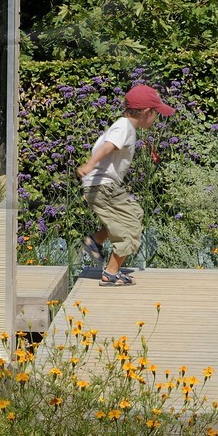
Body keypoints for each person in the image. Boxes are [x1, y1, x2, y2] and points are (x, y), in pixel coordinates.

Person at [76, 82, 175, 285]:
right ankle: (111, 273)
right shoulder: (124, 126)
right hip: (102, 186)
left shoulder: (125, 126)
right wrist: (89, 164)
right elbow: (108, 146)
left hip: (106, 185)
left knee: (135, 213)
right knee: (128, 227)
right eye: (156, 113)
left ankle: (95, 240)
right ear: (146, 112)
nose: (156, 118)